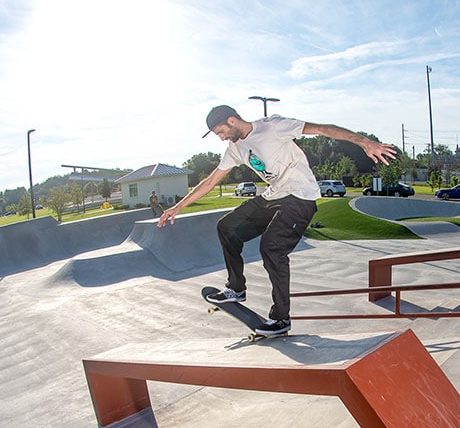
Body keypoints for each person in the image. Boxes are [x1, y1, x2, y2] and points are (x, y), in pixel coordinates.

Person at [157, 105, 397, 336]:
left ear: (232, 121)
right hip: (275, 195)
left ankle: (281, 318)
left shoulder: (273, 126)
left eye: (221, 132)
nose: (221, 139)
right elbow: (210, 181)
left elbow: (323, 129)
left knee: (271, 247)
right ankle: (236, 288)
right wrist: (178, 207)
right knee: (227, 227)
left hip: (300, 197)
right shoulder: (235, 149)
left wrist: (365, 142)